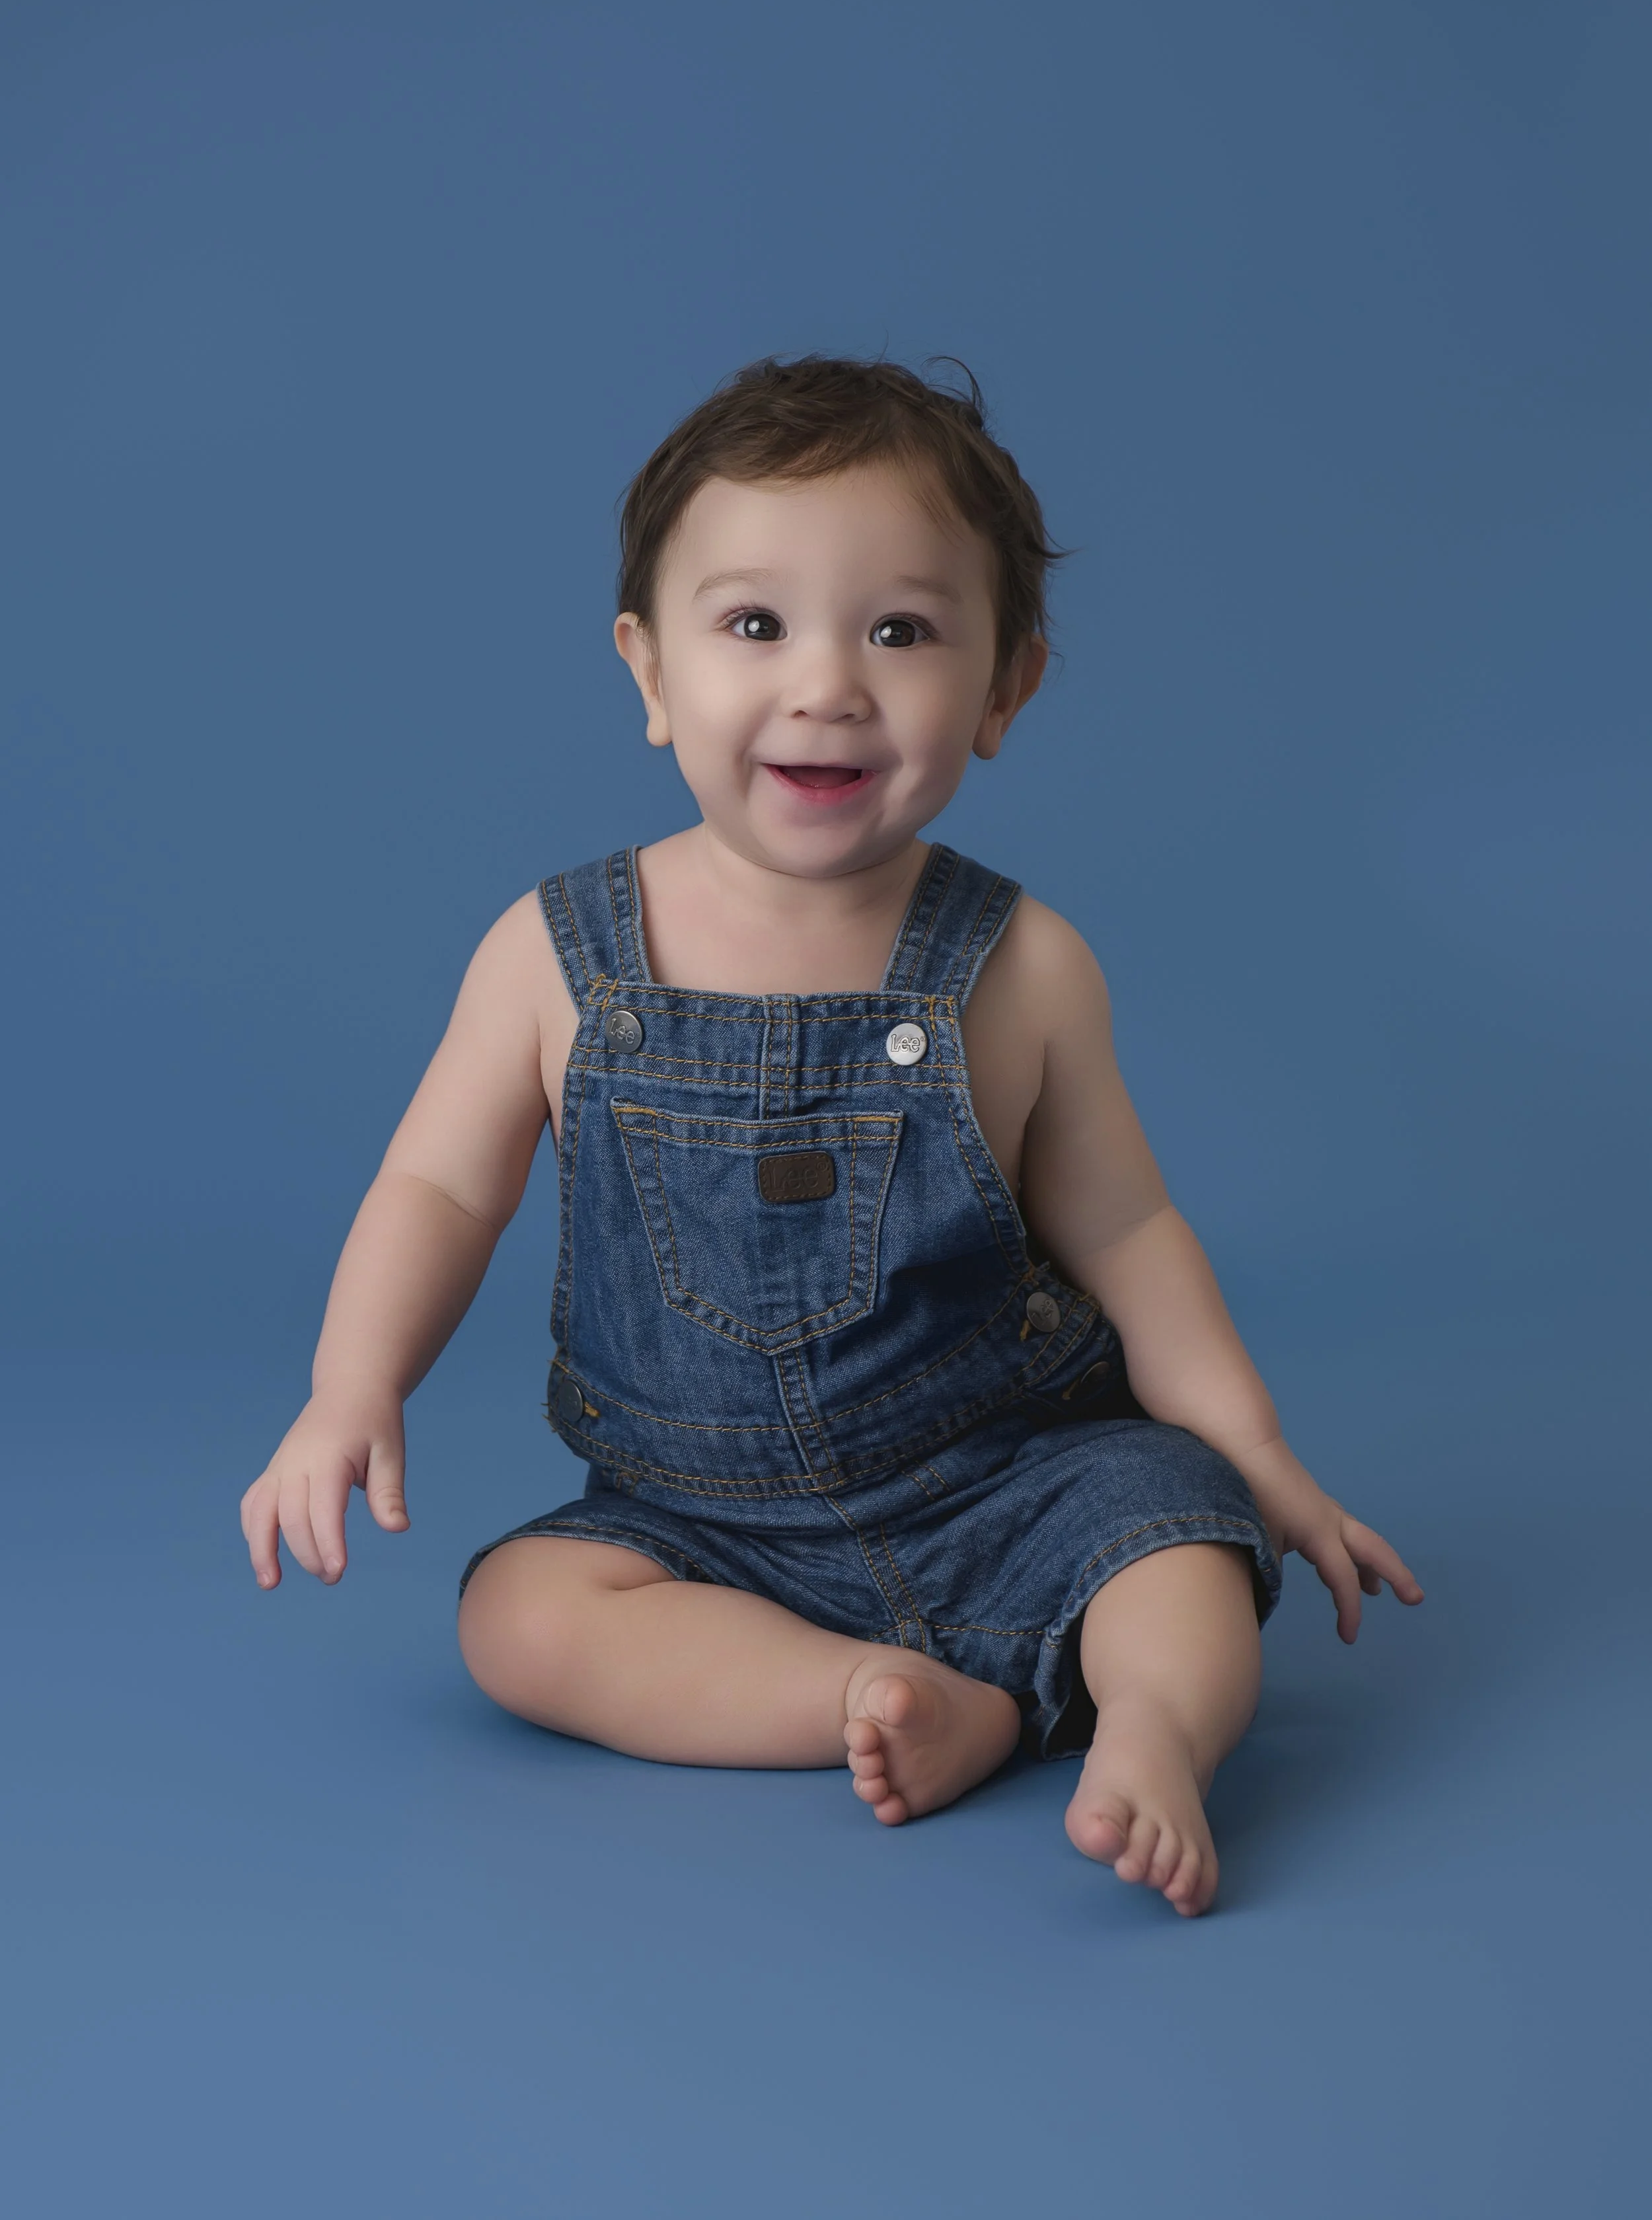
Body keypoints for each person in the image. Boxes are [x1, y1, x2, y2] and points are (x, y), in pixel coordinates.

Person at [241, 356, 1422, 1916]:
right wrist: (350, 1385)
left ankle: (1149, 1733)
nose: (827, 685)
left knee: (1177, 1546)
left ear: (1005, 689)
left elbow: (1129, 1236)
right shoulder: (553, 953)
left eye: (901, 630)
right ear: (647, 670)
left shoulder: (1025, 966)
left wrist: (1253, 1449)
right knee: (521, 1619)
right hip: (693, 1525)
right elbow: (441, 1184)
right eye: (753, 625)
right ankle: (867, 1696)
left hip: (1004, 1478)